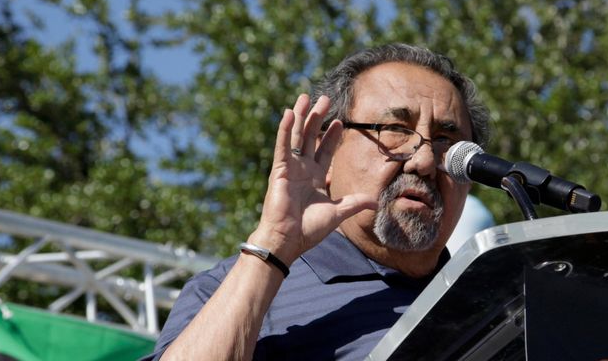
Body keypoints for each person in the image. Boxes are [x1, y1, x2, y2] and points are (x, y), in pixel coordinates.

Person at [142, 43, 490, 361]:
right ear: (328, 153)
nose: (425, 160)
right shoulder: (234, 290)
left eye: (446, 140)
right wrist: (274, 244)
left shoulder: (498, 299)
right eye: (396, 129)